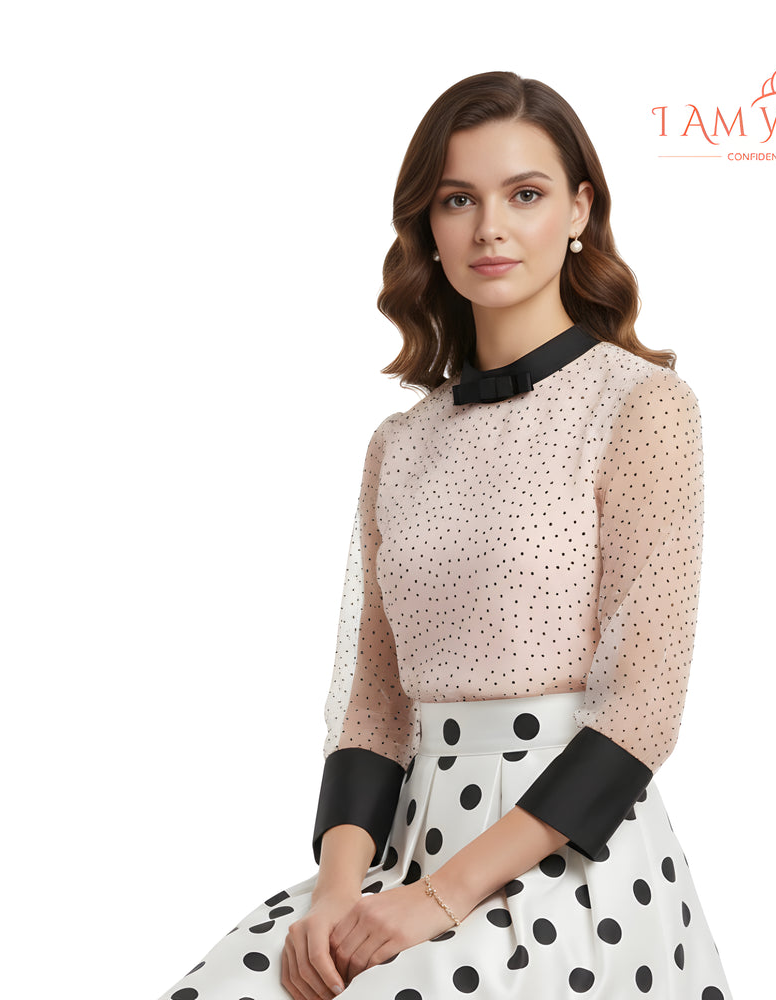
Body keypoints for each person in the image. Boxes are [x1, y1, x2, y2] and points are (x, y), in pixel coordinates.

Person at [157, 70, 733, 1000]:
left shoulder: (643, 408)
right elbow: (374, 705)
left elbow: (642, 706)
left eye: (525, 194)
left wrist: (440, 899)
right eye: (458, 199)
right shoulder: (400, 443)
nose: (489, 227)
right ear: (428, 225)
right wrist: (335, 900)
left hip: (562, 859)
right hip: (399, 850)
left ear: (580, 209)